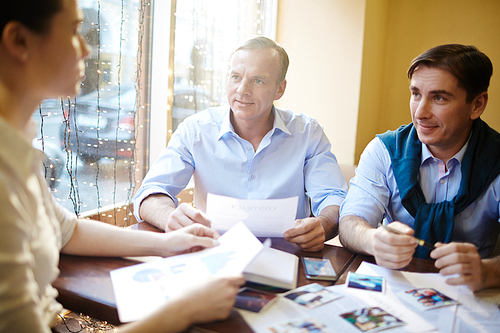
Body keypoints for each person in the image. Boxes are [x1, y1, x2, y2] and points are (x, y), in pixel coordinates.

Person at [0, 1, 245, 332]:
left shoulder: (18, 144)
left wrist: (165, 244)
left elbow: (66, 230)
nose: (87, 50)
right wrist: (184, 310)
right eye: (74, 31)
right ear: (19, 41)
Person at [134, 36, 347, 252]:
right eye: (236, 77)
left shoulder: (308, 133)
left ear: (279, 89)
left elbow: (334, 197)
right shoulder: (196, 130)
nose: (242, 90)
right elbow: (151, 191)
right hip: (211, 253)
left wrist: (323, 224)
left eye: (258, 81)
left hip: (287, 256)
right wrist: (169, 216)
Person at [339, 44, 500, 292]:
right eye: (416, 94)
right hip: (394, 290)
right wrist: (372, 240)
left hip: (474, 295)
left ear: (477, 104)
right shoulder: (384, 150)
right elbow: (350, 223)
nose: (420, 113)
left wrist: (488, 271)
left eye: (439, 98)